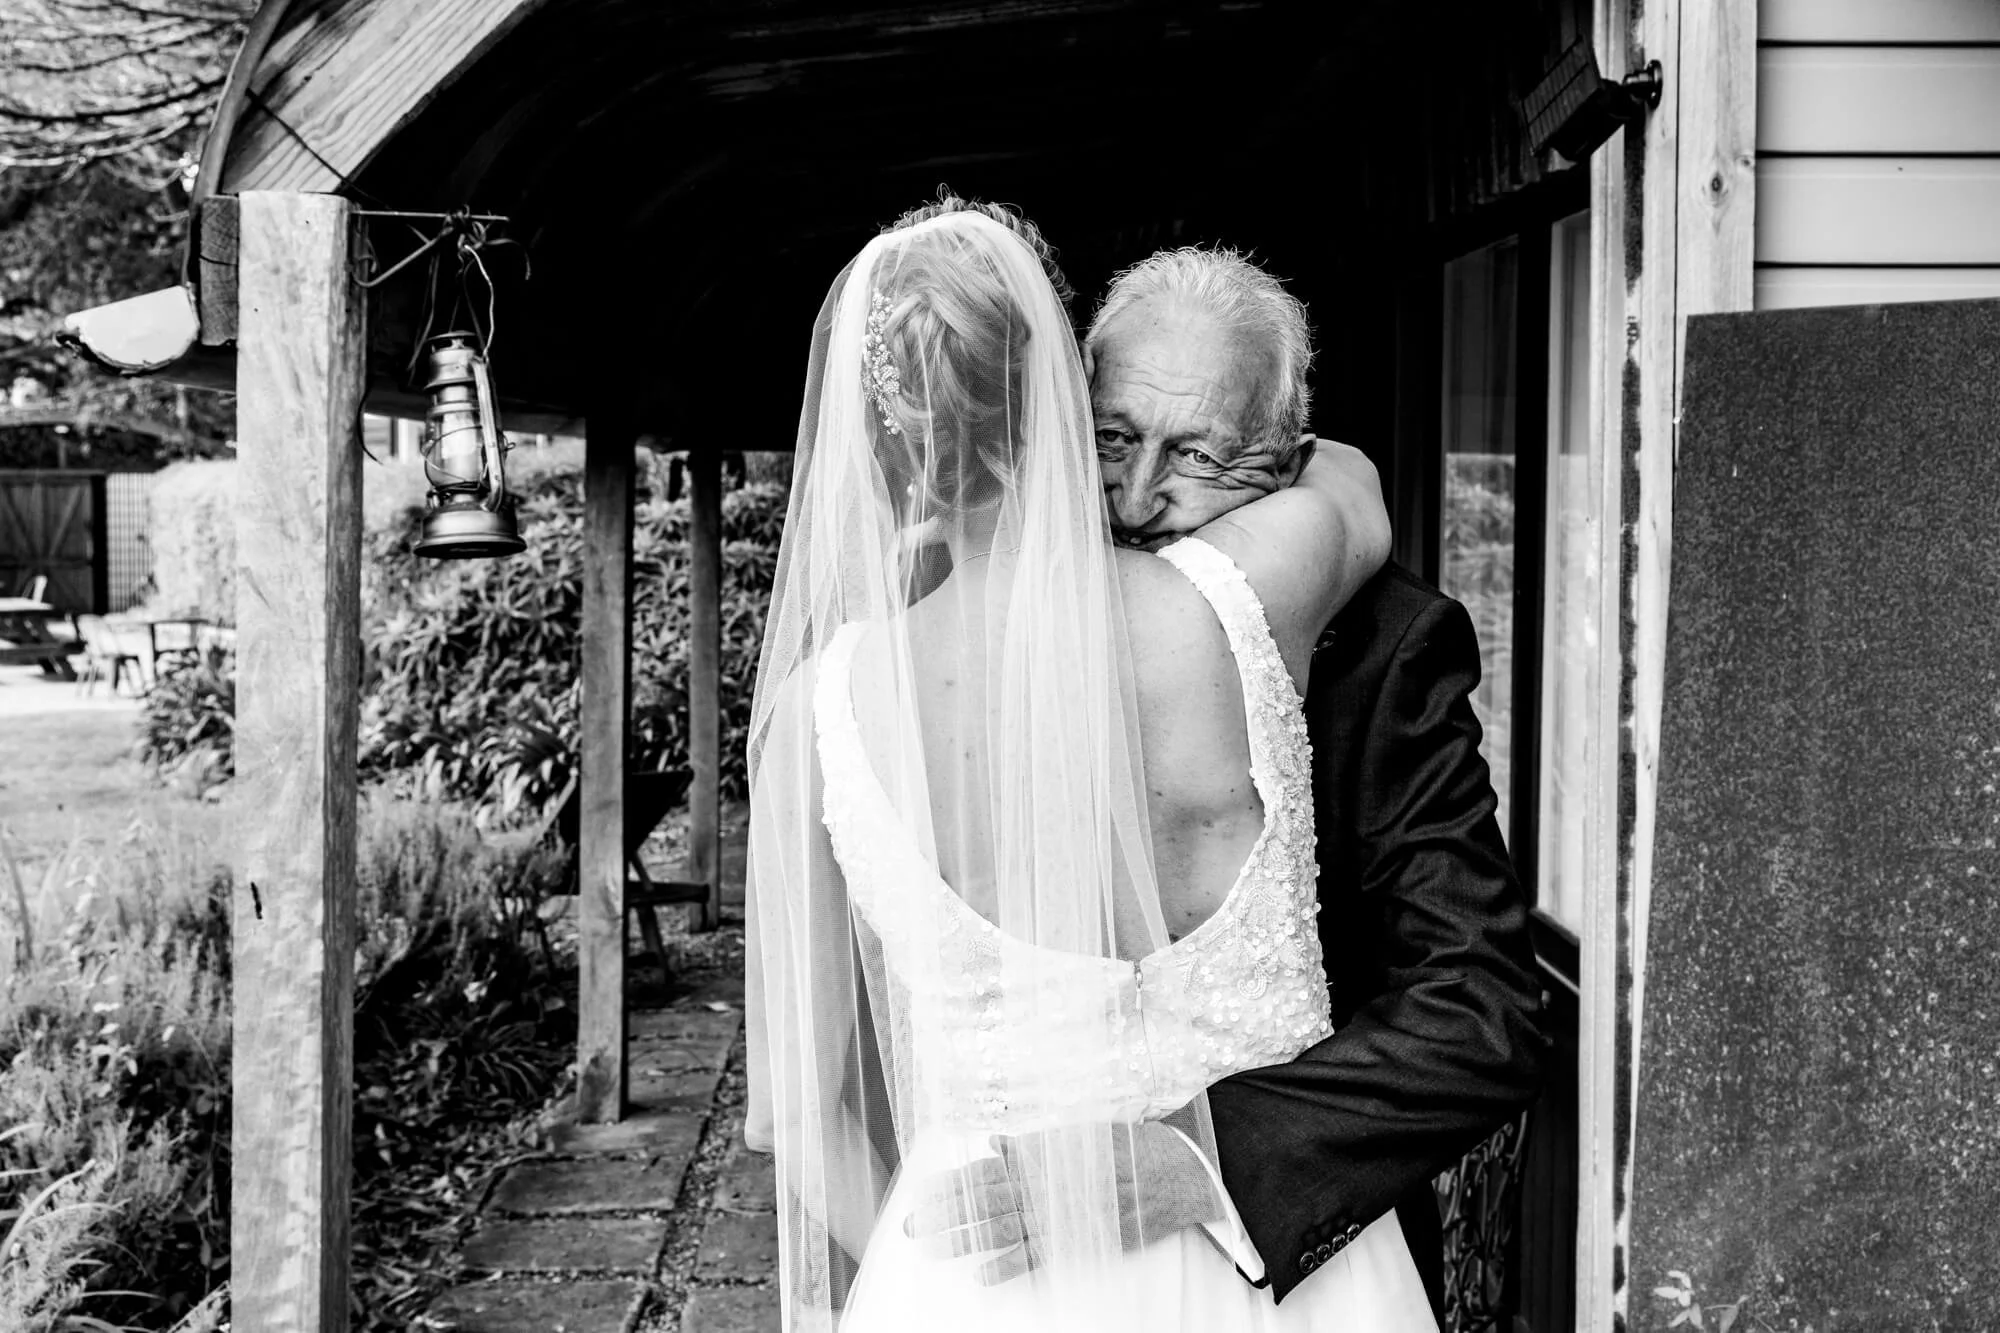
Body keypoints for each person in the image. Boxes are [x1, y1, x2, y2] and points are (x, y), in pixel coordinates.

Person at [743, 198, 1438, 1330]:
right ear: (1065, 398)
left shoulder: (813, 724)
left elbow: (785, 1121)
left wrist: (928, 1276)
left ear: (866, 452)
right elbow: (1349, 484)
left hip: (983, 1281)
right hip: (1283, 1275)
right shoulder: (1237, 598)